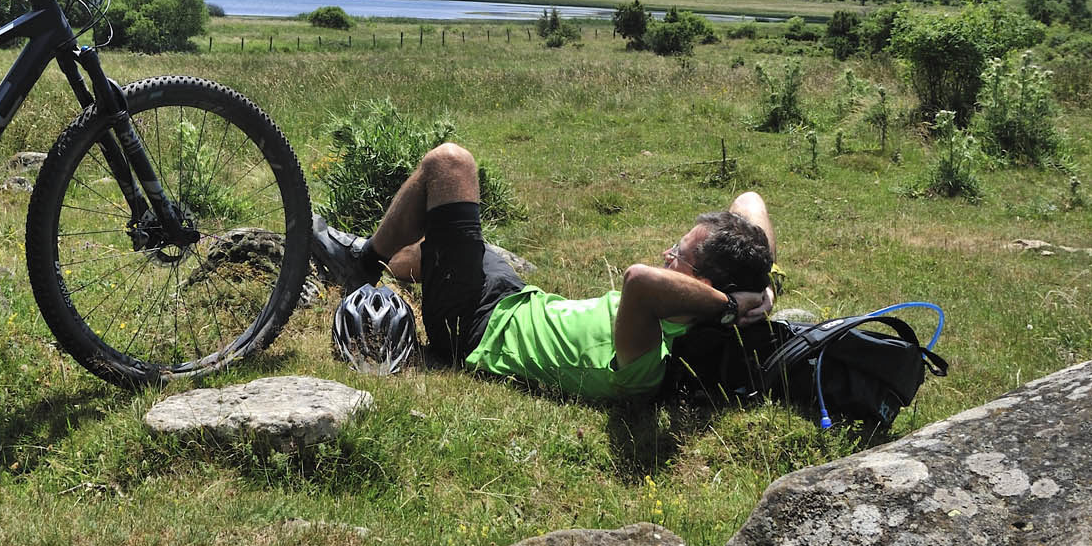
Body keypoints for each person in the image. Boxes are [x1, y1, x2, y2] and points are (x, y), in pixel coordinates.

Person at [312, 142, 775, 403]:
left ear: (704, 287)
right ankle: (387, 268)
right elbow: (750, 201)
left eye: (678, 253)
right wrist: (761, 288)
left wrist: (732, 305)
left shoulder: (650, 355)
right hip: (514, 296)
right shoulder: (702, 306)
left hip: (474, 328)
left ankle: (360, 262)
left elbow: (639, 280)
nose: (665, 253)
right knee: (432, 249)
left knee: (449, 164)